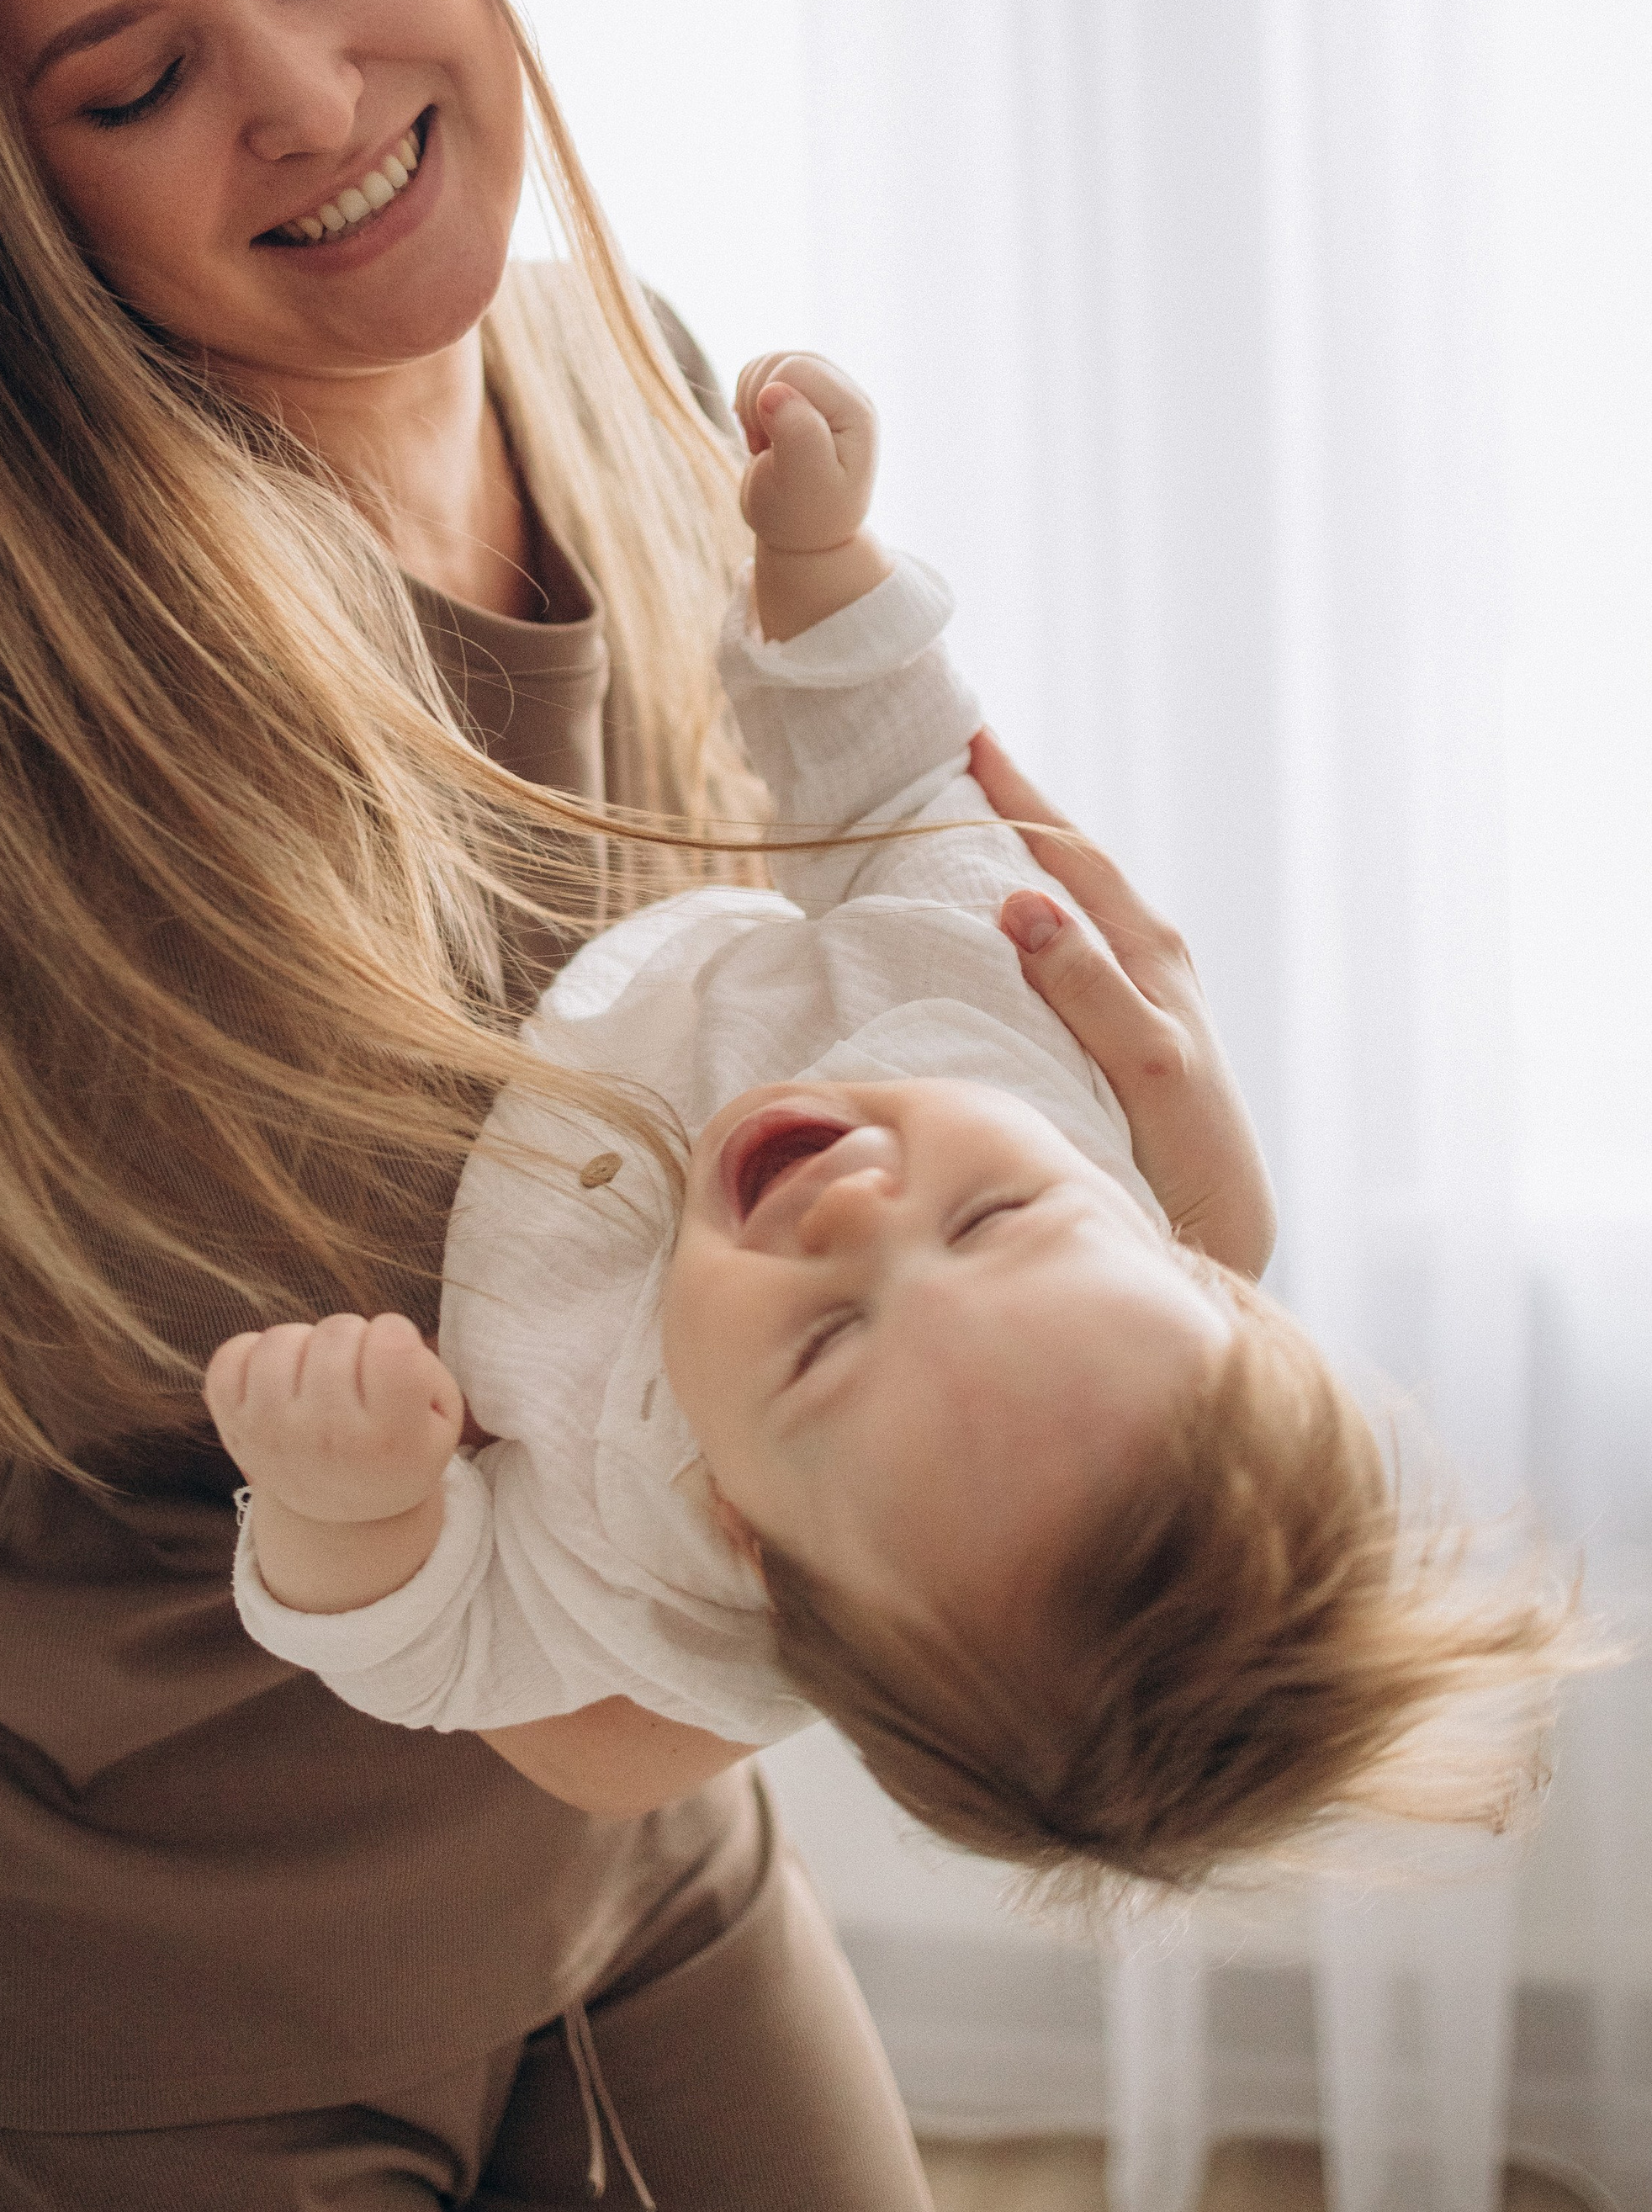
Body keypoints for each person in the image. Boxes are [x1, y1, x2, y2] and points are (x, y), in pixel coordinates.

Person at [0, 0, 1278, 2212]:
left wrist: (1138, 1219)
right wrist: (1175, 1248)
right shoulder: (77, 750)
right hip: (146, 1940)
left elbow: (902, 983)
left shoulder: (610, 360)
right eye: (130, 78)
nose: (304, 93)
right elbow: (679, 1479)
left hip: (610, 1819)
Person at [214, 356, 1572, 1894]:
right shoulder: (1020, 1031)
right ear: (1178, 1247)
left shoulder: (650, 1574)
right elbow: (898, 774)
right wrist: (818, 559)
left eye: (826, 1346)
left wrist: (352, 1508)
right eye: (997, 1218)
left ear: (740, 1527)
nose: (864, 1213)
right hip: (655, 966)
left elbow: (439, 1648)